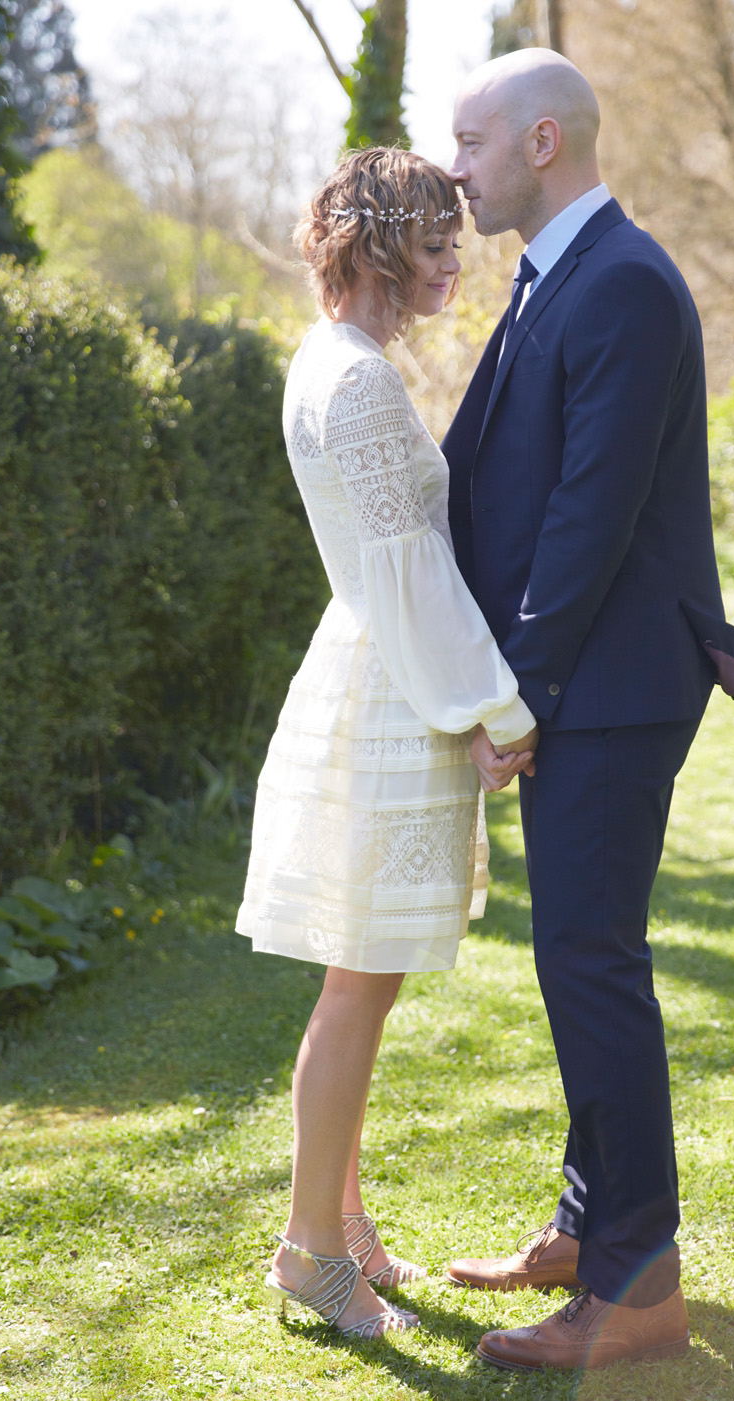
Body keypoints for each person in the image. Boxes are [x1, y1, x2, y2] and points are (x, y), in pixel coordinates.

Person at [441, 49, 734, 1372]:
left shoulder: (620, 280)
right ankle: (587, 1226)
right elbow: (496, 473)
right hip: (589, 674)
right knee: (582, 956)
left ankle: (637, 1286)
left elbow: (590, 512)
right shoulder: (558, 270)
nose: (457, 170)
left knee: (592, 965)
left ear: (544, 141)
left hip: (615, 681)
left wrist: (520, 690)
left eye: (470, 144)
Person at [233, 147, 537, 1342]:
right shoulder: (353, 380)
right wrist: (494, 709)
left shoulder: (339, 360)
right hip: (391, 689)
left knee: (360, 977)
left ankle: (342, 1220)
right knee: (361, 984)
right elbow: (411, 574)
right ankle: (310, 1250)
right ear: (381, 241)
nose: (455, 259)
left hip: (380, 674)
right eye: (438, 239)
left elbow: (403, 562)